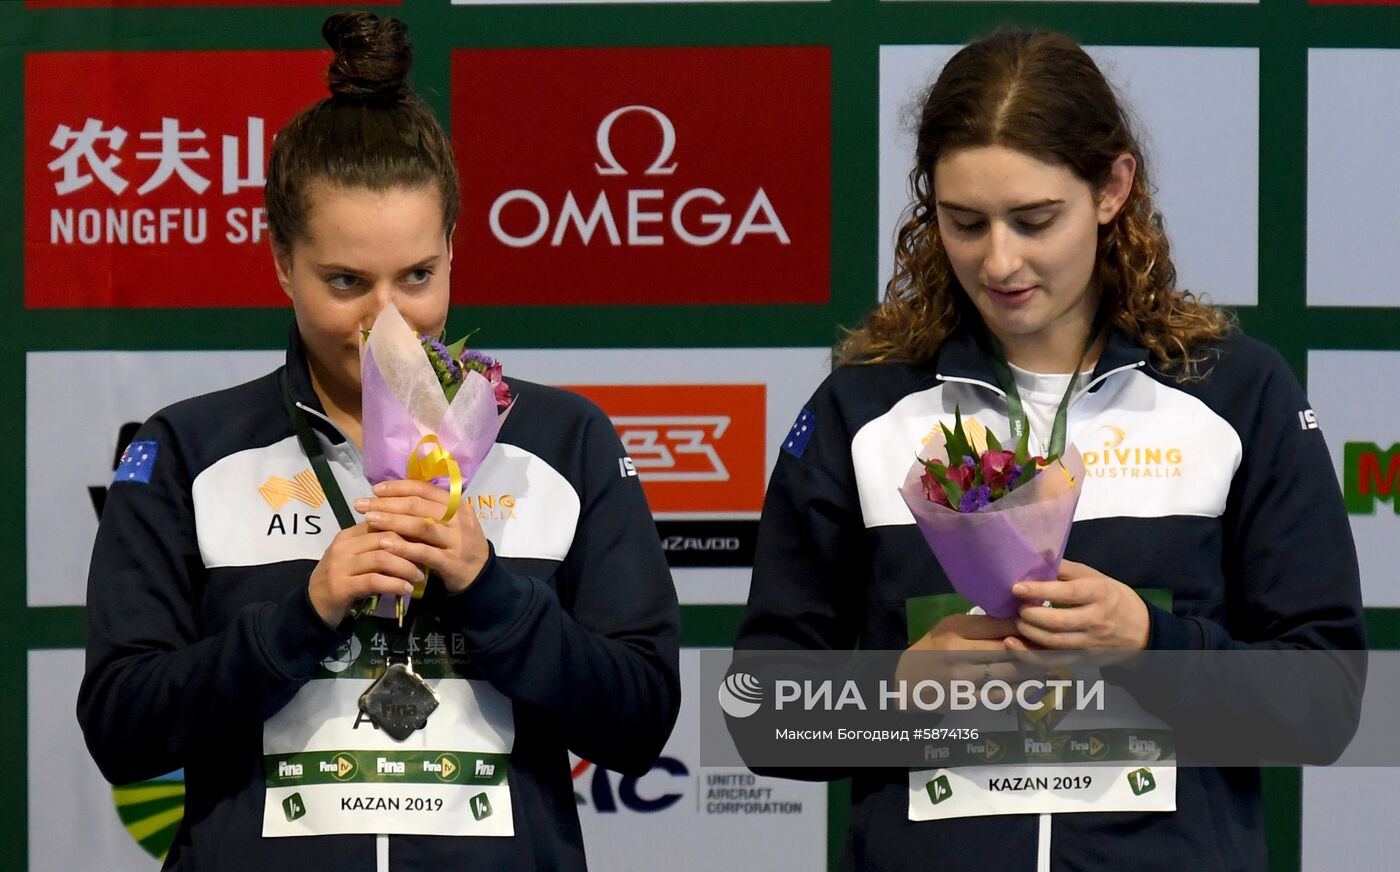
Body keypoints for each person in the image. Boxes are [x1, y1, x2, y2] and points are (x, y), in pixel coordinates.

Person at [735, 29, 1365, 871]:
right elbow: (757, 713)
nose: (1000, 261)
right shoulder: (866, 408)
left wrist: (1151, 645)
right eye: (965, 223)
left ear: (1112, 187)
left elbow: (1327, 705)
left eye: (1035, 221)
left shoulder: (1236, 394)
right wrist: (896, 695)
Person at [78, 12, 680, 871]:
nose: (386, 318)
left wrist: (490, 590)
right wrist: (301, 619)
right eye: (346, 282)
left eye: (418, 276)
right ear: (282, 261)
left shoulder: (562, 442)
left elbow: (640, 720)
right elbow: (121, 731)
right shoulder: (189, 451)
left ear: (452, 252)